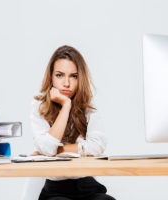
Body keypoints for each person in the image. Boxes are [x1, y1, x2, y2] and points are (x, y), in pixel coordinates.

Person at [30, 45, 116, 200]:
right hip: (56, 189)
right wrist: (66, 106)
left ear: (80, 78)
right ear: (51, 77)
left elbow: (98, 144)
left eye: (74, 76)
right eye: (60, 75)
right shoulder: (39, 106)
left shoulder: (88, 105)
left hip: (87, 185)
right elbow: (48, 148)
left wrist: (59, 150)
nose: (66, 83)